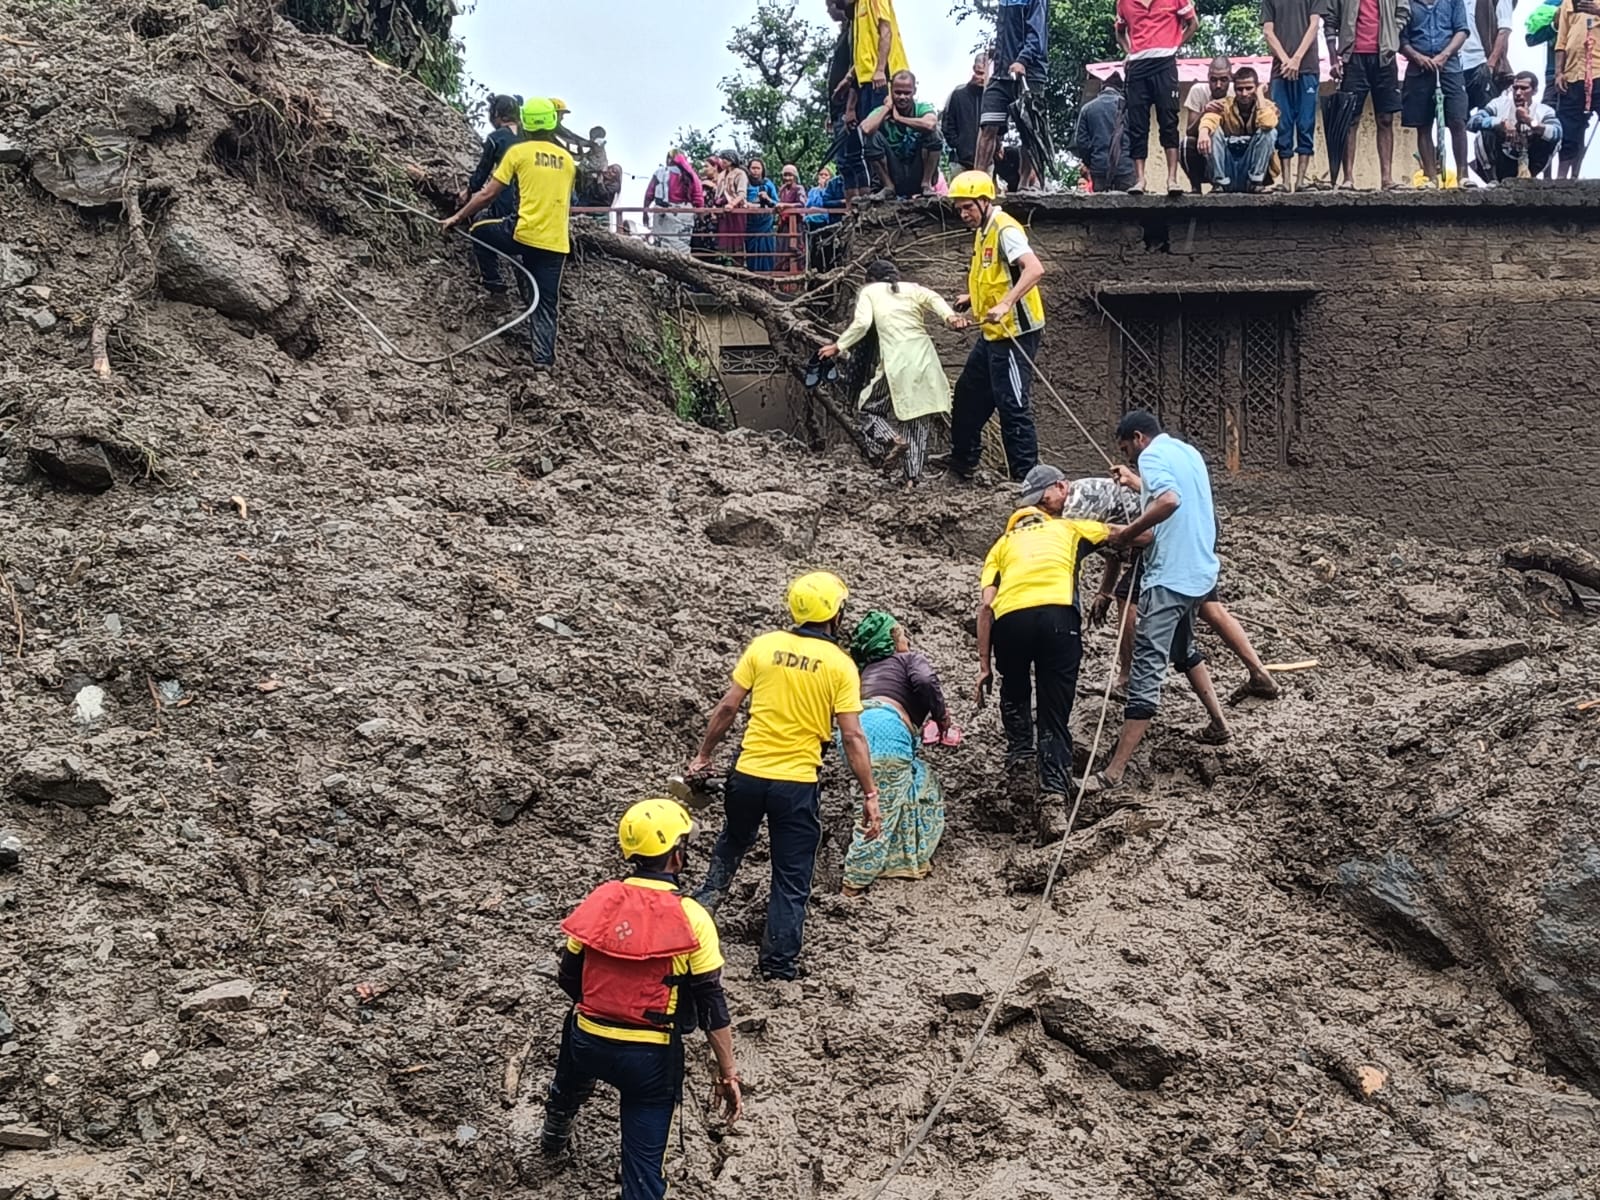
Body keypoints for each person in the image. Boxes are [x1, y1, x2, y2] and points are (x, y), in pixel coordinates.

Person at [540, 798, 742, 1199]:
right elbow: (711, 1005)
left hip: (587, 1041)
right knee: (644, 1170)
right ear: (677, 855)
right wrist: (728, 1074)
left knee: (570, 1063)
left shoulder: (602, 899)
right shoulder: (693, 917)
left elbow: (568, 976)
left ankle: (554, 1134)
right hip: (649, 1059)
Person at [688, 573, 880, 982]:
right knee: (791, 875)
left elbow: (728, 708)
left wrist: (704, 755)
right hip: (796, 783)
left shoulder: (765, 646)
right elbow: (852, 735)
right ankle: (778, 966)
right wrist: (870, 793)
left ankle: (693, 930)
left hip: (748, 773)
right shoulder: (840, 665)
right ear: (836, 613)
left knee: (730, 847)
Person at [1082, 413, 1232, 795]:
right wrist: (1136, 482)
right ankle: (1219, 724)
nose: (1129, 459)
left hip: (1170, 577)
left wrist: (1126, 533)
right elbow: (1174, 495)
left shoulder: (1150, 457)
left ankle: (1113, 772)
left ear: (1138, 438)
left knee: (1147, 668)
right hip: (1200, 572)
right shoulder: (1187, 452)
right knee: (1184, 649)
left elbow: (1168, 500)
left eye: (1127, 450)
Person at [977, 465, 1126, 840]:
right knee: (1053, 712)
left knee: (1014, 690)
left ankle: (1020, 764)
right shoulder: (1068, 527)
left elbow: (985, 607)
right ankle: (1053, 802)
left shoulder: (1001, 545)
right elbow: (1123, 534)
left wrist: (983, 666)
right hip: (1059, 618)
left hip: (1010, 622)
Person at [1067, 477, 1281, 708]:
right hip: (1197, 522)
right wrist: (1103, 592)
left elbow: (1117, 537)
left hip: (1170, 531)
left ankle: (1127, 679)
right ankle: (1260, 674)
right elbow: (1112, 549)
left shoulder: (1074, 506)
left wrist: (1110, 593)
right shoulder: (1078, 507)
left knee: (1126, 596)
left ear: (1060, 486)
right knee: (1207, 605)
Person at [442, 97, 573, 368]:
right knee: (546, 303)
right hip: (556, 243)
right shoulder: (568, 160)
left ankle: (496, 288)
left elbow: (487, 195)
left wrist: (457, 216)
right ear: (552, 122)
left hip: (522, 233)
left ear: (526, 121)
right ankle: (543, 363)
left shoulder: (518, 153)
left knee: (479, 231)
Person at [818, 259, 965, 482]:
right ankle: (912, 479)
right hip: (925, 361)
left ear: (871, 280)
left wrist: (838, 346)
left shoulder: (870, 291)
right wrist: (950, 317)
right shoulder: (913, 288)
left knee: (867, 411)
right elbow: (934, 298)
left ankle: (892, 440)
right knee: (916, 420)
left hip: (896, 362)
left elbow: (862, 324)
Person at [837, 611, 952, 895]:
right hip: (886, 734)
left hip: (852, 735)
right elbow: (925, 681)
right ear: (891, 641)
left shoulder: (862, 672)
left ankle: (898, 860)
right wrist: (942, 717)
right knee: (881, 815)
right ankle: (851, 885)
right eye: (903, 636)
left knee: (911, 783)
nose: (907, 641)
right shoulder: (908, 660)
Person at [946, 171, 1045, 484]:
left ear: (984, 201)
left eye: (968, 207)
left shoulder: (1005, 229)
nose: (964, 214)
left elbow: (1034, 269)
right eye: (959, 209)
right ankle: (963, 463)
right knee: (967, 395)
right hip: (992, 333)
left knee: (1012, 404)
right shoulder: (982, 231)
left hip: (1015, 333)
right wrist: (971, 298)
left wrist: (1006, 304)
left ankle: (1026, 480)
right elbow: (994, 276)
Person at [1115, 0, 1199, 195]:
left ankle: (1172, 179)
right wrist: (1130, 52)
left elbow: (1193, 23)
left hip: (1165, 64)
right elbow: (1120, 31)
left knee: (1169, 120)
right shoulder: (1123, 3)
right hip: (1138, 67)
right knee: (1137, 124)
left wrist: (1174, 46)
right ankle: (1140, 180)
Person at [1328, 0, 1412, 189]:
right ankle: (1348, 178)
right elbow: (1331, 19)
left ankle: (1387, 178)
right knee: (1350, 119)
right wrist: (1334, 57)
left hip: (1384, 57)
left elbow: (1403, 10)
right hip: (1353, 56)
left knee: (1386, 119)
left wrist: (1392, 33)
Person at [837, 0, 909, 200]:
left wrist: (880, 69)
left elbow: (886, 30)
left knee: (881, 133)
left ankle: (891, 188)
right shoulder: (856, 11)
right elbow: (862, 57)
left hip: (883, 77)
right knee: (866, 137)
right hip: (865, 82)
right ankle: (879, 186)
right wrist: (849, 81)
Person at [976, 0, 1049, 189]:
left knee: (1029, 129)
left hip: (1029, 72)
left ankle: (1024, 184)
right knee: (988, 125)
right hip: (1001, 73)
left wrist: (1022, 59)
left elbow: (1037, 33)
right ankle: (977, 180)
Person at [1400, 0, 1470, 187]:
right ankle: (1430, 177)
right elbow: (1401, 38)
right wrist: (1417, 57)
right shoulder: (1406, 3)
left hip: (1450, 67)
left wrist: (1445, 55)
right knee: (1423, 125)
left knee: (1457, 121)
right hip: (1418, 69)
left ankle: (1463, 176)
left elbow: (1462, 30)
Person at [1262, 0, 1327, 190]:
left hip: (1307, 68)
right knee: (1282, 123)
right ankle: (1285, 181)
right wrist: (1286, 60)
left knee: (1306, 122)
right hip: (1280, 71)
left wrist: (1297, 59)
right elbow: (1268, 32)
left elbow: (1314, 25)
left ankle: (1300, 181)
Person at [460, 94, 522, 294]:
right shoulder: (529, 137)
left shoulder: (496, 139)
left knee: (480, 225)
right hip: (531, 202)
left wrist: (469, 191)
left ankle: (492, 281)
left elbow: (482, 172)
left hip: (505, 199)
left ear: (496, 114)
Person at [1198, 66, 1283, 191]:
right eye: (1239, 89)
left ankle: (1256, 183)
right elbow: (1210, 118)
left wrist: (1260, 95)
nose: (1244, 94)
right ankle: (1219, 184)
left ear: (1256, 87)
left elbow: (1268, 124)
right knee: (1212, 130)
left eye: (1249, 88)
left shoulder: (1268, 106)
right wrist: (1203, 132)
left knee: (1269, 132)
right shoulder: (1224, 104)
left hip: (1250, 173)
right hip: (1227, 170)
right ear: (1234, 89)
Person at [861, 70, 945, 197]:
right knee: (871, 136)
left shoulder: (922, 108)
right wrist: (887, 108)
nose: (902, 97)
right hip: (894, 172)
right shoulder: (881, 111)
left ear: (914, 91)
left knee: (934, 133)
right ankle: (888, 187)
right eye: (897, 92)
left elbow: (931, 124)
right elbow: (866, 129)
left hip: (917, 170)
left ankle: (926, 184)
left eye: (907, 93)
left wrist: (900, 119)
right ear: (891, 91)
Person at [1469, 70, 1562, 178]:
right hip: (1502, 160)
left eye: (1524, 88)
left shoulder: (1544, 110)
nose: (1518, 93)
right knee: (1483, 133)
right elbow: (1473, 122)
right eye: (1515, 88)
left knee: (1552, 140)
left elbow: (1557, 132)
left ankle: (1531, 177)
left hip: (1531, 160)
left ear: (1534, 91)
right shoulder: (1499, 104)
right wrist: (1500, 123)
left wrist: (1529, 121)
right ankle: (1492, 179)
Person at [1555, 0, 1600, 176]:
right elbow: (1561, 41)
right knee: (1568, 128)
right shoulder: (1568, 2)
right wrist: (1558, 73)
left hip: (1598, 72)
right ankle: (1562, 180)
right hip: (1572, 75)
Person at [1075, 71, 1136, 191]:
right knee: (1127, 203)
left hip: (1099, 168)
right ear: (1120, 88)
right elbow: (1137, 136)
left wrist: (1090, 162)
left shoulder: (1087, 109)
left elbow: (1081, 141)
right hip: (1125, 167)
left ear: (1102, 87)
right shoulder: (1129, 108)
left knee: (1101, 202)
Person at [1181, 58, 1234, 191]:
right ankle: (1196, 188)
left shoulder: (1238, 91)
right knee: (1186, 143)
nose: (1218, 85)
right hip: (1205, 152)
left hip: (1231, 151)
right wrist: (1205, 111)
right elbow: (1190, 131)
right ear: (1208, 77)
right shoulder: (1198, 91)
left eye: (1223, 80)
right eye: (1214, 80)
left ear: (1230, 78)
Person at [642, 149, 704, 256]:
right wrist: (700, 214)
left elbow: (649, 194)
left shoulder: (660, 173)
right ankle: (682, 263)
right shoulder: (691, 175)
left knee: (662, 246)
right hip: (685, 215)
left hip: (663, 214)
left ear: (669, 159)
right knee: (682, 246)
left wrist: (645, 211)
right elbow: (698, 198)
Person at [1460, 0, 1513, 111]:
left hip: (1482, 62)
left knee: (1488, 113)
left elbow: (1504, 30)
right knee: (1459, 115)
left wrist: (1491, 64)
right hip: (1458, 64)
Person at [943, 54, 991, 171]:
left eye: (986, 75)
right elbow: (947, 124)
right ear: (974, 69)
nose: (982, 78)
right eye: (979, 73)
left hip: (987, 163)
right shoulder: (957, 95)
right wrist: (957, 144)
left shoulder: (993, 98)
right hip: (960, 162)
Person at [712, 150, 750, 265]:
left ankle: (738, 265)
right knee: (724, 238)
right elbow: (718, 193)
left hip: (736, 209)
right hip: (723, 210)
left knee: (736, 238)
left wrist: (732, 204)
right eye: (722, 158)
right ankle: (724, 264)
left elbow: (742, 193)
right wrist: (715, 207)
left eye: (726, 158)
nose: (723, 161)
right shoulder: (721, 175)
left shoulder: (740, 173)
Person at [744, 158, 781, 272]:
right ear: (749, 169)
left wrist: (767, 198)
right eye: (753, 168)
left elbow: (776, 202)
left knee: (766, 247)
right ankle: (752, 273)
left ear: (762, 170)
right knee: (751, 249)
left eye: (758, 168)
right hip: (750, 222)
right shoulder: (745, 183)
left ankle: (767, 273)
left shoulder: (768, 184)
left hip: (765, 221)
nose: (755, 171)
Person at [777, 164, 808, 271]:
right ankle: (783, 273)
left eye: (790, 175)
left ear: (795, 176)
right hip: (784, 224)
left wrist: (785, 205)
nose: (787, 178)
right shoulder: (782, 189)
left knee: (796, 248)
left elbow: (802, 204)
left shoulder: (799, 188)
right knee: (782, 249)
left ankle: (798, 272)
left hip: (797, 224)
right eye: (785, 175)